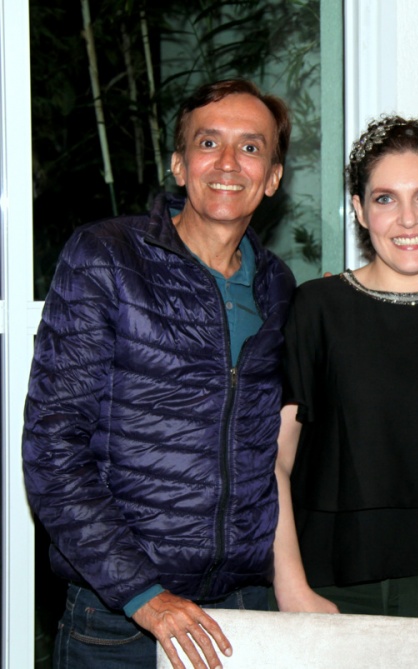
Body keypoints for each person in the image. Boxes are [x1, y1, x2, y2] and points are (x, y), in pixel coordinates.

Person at [22, 79, 295, 669]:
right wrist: (143, 595)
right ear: (179, 164)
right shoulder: (106, 256)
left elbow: (268, 450)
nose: (227, 163)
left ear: (272, 177)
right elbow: (53, 443)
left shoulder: (278, 287)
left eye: (251, 148)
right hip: (123, 619)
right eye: (208, 143)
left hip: (243, 609)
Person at [272, 116, 418, 669]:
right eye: (385, 198)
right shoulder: (317, 309)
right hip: (335, 590)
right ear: (359, 209)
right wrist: (292, 589)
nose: (408, 219)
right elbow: (275, 462)